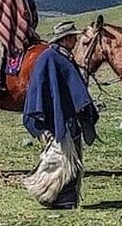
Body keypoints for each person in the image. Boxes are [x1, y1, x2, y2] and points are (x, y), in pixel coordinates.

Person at [22, 21, 98, 209]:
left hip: (68, 116)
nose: (76, 39)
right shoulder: (51, 58)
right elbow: (44, 90)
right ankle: (50, 194)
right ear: (65, 39)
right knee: (62, 158)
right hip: (57, 117)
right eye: (73, 36)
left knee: (72, 159)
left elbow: (70, 87)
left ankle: (65, 198)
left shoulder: (62, 57)